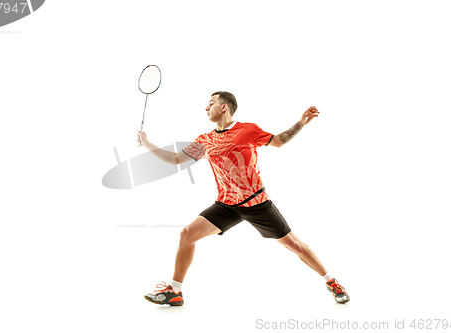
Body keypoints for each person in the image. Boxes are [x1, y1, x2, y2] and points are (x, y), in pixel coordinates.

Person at [137, 91, 349, 305]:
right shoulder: (205, 140)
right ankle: (175, 291)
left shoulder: (248, 130)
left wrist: (301, 123)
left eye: (211, 103)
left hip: (257, 204)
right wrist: (147, 144)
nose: (206, 107)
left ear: (224, 107)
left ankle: (331, 282)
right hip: (226, 205)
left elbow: (278, 141)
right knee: (186, 235)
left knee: (294, 245)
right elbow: (175, 159)